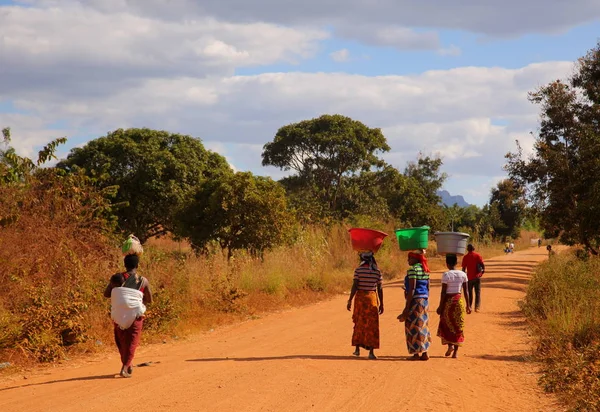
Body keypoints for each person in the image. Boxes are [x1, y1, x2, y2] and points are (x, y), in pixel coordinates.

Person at [104, 254, 152, 378]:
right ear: (137, 265)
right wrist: (138, 300)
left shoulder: (117, 278)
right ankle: (125, 367)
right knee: (132, 341)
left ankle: (127, 363)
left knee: (120, 341)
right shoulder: (142, 280)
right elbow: (149, 299)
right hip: (135, 315)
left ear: (124, 265)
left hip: (118, 314)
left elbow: (107, 294)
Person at [347, 251, 384, 359]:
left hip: (360, 299)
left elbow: (355, 285)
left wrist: (350, 299)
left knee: (359, 323)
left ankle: (357, 349)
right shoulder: (377, 271)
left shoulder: (358, 270)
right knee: (371, 326)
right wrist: (382, 303)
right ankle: (371, 352)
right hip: (372, 299)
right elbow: (380, 288)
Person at [436, 254, 472, 358]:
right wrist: (468, 305)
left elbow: (443, 292)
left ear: (447, 264)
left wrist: (440, 306)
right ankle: (455, 352)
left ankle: (450, 346)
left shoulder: (446, 275)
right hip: (458, 302)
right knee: (458, 326)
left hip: (448, 302)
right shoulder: (463, 274)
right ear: (456, 263)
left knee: (447, 324)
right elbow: (466, 292)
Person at [398, 252, 432, 361]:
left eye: (410, 258)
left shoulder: (413, 270)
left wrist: (406, 308)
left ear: (415, 259)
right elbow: (428, 287)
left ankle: (416, 353)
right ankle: (425, 352)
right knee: (423, 326)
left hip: (415, 300)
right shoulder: (425, 269)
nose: (408, 260)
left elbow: (412, 288)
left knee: (413, 326)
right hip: (424, 301)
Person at [461, 244, 484, 312]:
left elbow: (463, 268)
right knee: (478, 293)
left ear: (467, 249)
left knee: (469, 293)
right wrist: (481, 273)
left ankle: (469, 307)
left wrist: (463, 277)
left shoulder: (465, 257)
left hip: (469, 278)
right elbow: (482, 265)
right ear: (474, 248)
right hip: (477, 277)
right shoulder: (477, 255)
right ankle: (477, 307)